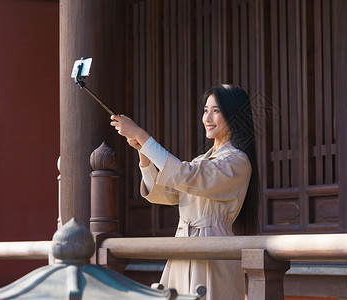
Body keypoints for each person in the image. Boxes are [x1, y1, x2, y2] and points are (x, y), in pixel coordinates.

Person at [110, 84, 259, 300]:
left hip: (214, 251)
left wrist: (143, 136)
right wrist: (143, 153)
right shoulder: (201, 161)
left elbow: (183, 175)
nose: (207, 117)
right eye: (205, 110)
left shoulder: (237, 162)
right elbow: (166, 193)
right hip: (182, 247)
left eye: (216, 111)